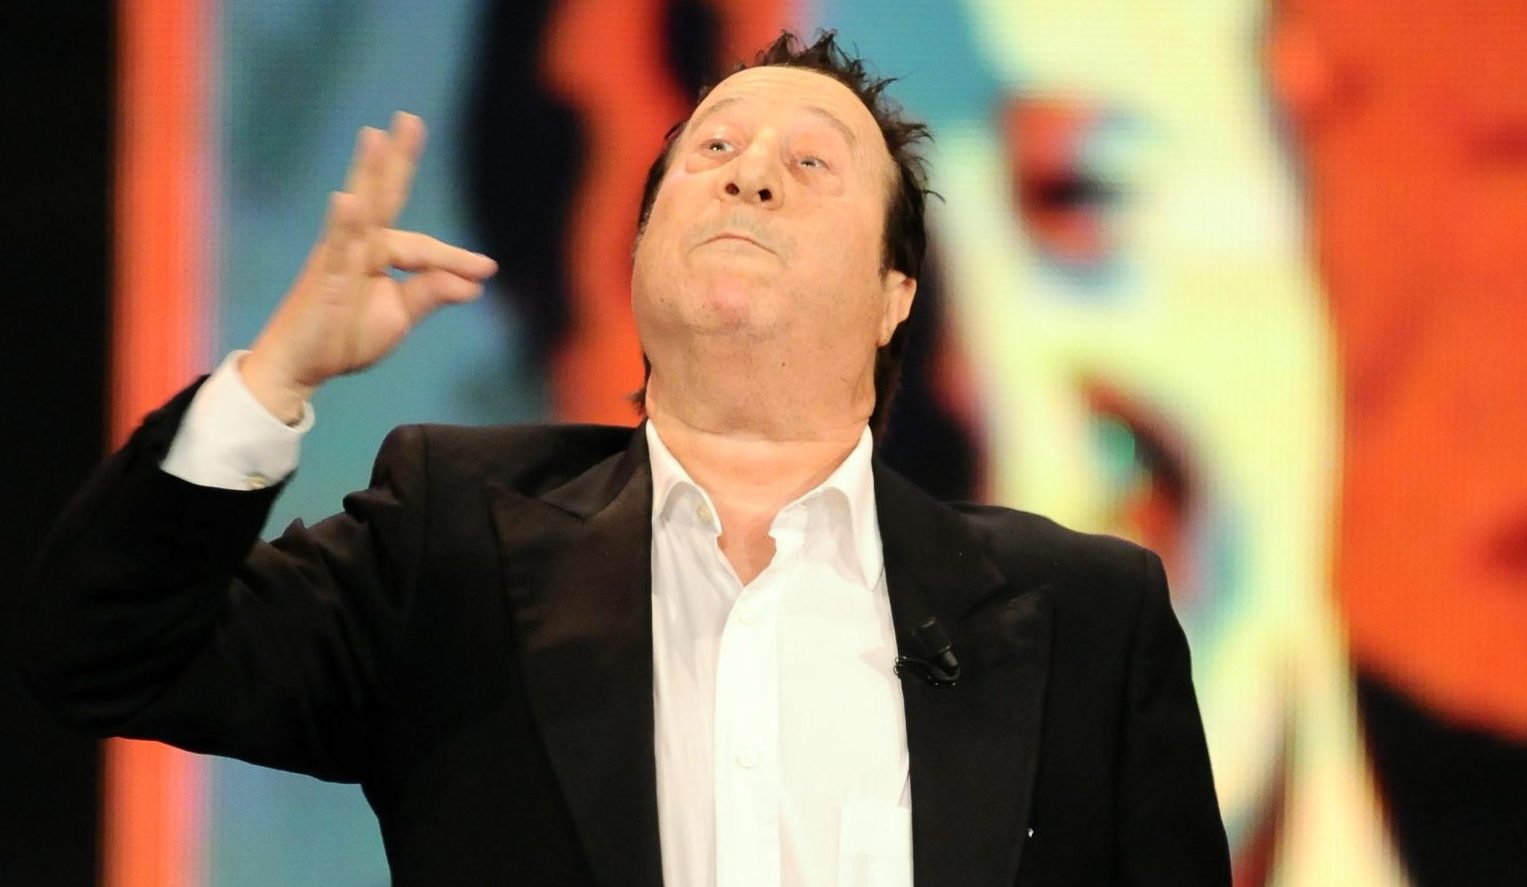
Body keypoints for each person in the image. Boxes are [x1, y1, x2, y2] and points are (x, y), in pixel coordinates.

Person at [15, 31, 1229, 886]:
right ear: (639, 250)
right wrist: (270, 379)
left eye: (812, 163)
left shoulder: (1085, 613)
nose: (750, 171)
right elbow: (101, 652)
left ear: (894, 294)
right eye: (711, 151)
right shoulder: (454, 541)